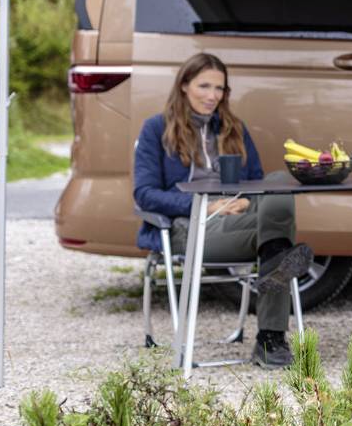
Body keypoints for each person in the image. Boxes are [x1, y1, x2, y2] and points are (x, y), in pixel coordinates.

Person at [133, 52, 314, 368]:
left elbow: (258, 181)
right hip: (188, 226)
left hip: (241, 217)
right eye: (204, 86)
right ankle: (272, 328)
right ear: (185, 85)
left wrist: (246, 199)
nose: (212, 96)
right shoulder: (156, 129)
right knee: (278, 241)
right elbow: (144, 194)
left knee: (278, 182)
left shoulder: (233, 128)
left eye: (219, 89)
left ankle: (274, 289)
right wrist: (203, 205)